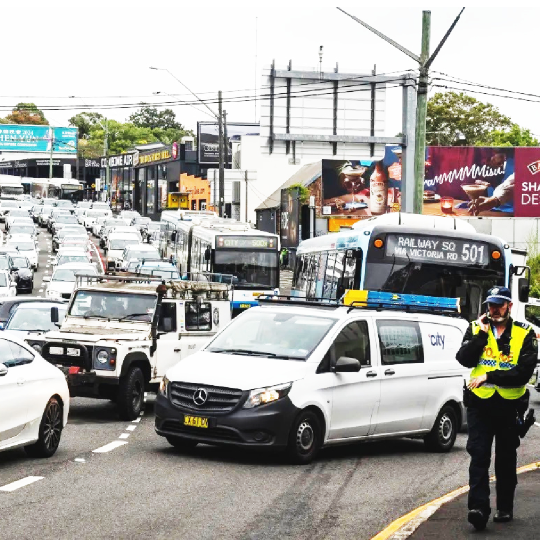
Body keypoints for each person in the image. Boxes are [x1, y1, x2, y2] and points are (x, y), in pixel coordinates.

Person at [456, 286, 537, 530]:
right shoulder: (474, 327)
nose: (494, 309)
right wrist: (481, 336)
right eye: (491, 305)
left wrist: (490, 375)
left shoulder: (525, 333)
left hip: (510, 404)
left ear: (509, 307)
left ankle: (504, 507)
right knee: (478, 454)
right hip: (480, 403)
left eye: (499, 305)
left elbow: (522, 374)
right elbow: (464, 359)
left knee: (504, 458)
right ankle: (478, 508)